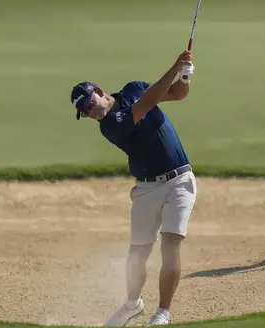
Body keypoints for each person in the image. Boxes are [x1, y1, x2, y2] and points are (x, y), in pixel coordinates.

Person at [70, 50, 198, 326]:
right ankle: (132, 305)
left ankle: (162, 312)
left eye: (89, 103)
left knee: (170, 244)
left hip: (180, 180)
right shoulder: (109, 127)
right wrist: (175, 66)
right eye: (85, 111)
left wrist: (185, 76)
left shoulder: (134, 88)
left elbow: (175, 94)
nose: (90, 111)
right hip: (147, 188)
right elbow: (149, 102)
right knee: (138, 252)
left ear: (100, 92)